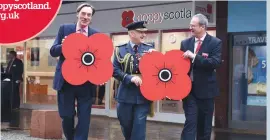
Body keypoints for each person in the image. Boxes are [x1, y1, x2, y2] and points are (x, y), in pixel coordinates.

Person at [50, 3, 101, 140]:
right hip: (66, 81)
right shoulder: (65, 29)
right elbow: (53, 50)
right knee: (66, 115)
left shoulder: (95, 34)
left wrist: (101, 75)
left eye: (89, 15)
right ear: (77, 14)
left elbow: (99, 59)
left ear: (91, 17)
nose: (85, 17)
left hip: (86, 83)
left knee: (84, 118)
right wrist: (63, 45)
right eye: (83, 14)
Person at [180, 13, 222, 140]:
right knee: (190, 122)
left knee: (204, 126)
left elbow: (214, 63)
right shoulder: (185, 43)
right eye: (190, 25)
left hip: (206, 92)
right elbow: (180, 67)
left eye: (193, 26)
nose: (190, 28)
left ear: (203, 27)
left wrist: (194, 56)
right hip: (189, 91)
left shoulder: (215, 43)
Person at [112, 21, 156, 140]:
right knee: (126, 125)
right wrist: (129, 78)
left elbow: (157, 70)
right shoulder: (119, 50)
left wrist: (156, 58)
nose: (143, 35)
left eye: (144, 32)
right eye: (140, 32)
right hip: (125, 95)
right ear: (132, 33)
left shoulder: (150, 48)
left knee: (139, 126)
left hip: (143, 95)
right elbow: (114, 70)